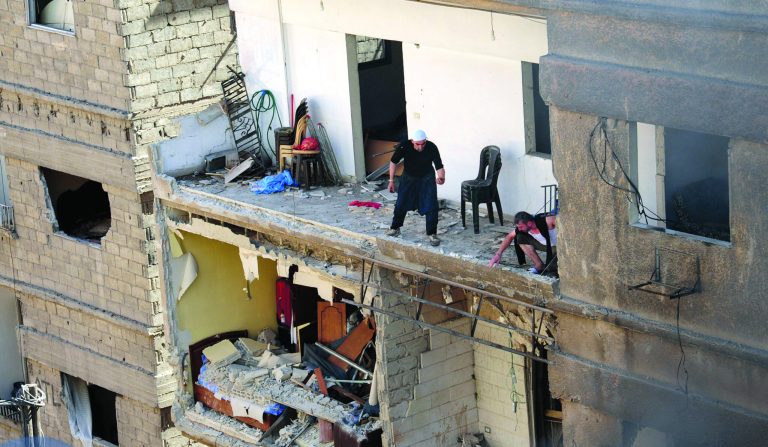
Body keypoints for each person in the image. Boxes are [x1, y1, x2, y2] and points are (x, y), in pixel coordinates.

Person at [386, 129, 446, 246]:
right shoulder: (405, 146)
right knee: (401, 202)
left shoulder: (431, 147)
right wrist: (391, 181)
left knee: (431, 205)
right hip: (409, 177)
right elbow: (393, 162)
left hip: (427, 177)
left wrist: (441, 177)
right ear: (412, 141)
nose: (421, 147)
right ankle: (395, 228)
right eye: (418, 144)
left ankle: (432, 233)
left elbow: (438, 165)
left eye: (423, 143)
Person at [488, 211, 557, 274]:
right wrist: (498, 254)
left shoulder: (548, 220)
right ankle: (539, 265)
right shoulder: (524, 228)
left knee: (551, 269)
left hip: (558, 247)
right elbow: (510, 236)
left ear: (529, 223)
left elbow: (565, 224)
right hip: (544, 245)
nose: (519, 229)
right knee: (520, 237)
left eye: (521, 227)